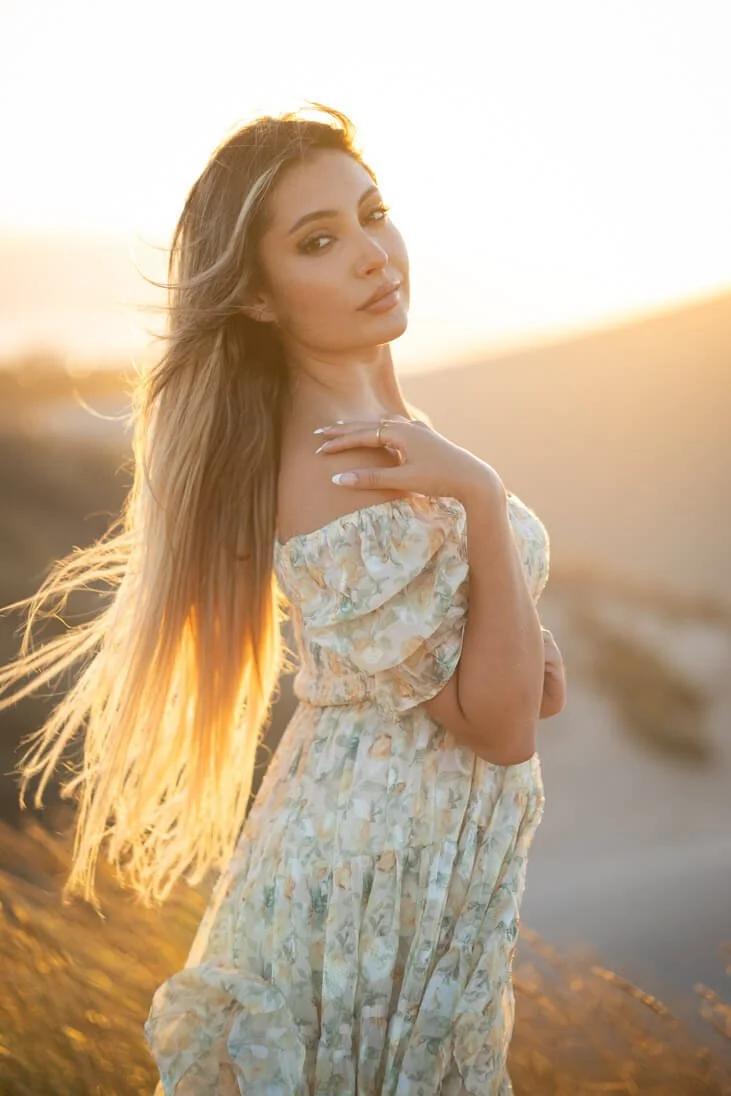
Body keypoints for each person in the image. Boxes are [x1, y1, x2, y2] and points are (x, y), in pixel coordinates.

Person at [0, 102, 566, 1094]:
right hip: (371, 880)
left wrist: (502, 613)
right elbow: (505, 723)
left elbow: (519, 683)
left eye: (370, 212)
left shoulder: (384, 426)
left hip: (423, 869)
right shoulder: (336, 468)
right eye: (318, 241)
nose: (370, 254)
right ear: (258, 299)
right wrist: (478, 494)